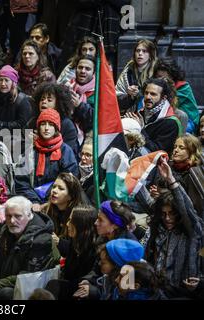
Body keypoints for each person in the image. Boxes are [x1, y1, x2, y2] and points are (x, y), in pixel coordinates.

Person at [144, 157, 204, 297]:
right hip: (157, 290)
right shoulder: (157, 230)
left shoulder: (192, 232)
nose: (168, 218)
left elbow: (187, 210)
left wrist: (171, 180)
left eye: (172, 214)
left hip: (183, 294)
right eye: (164, 214)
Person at [0, 196, 53, 300]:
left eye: (18, 216)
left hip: (22, 290)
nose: (12, 221)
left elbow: (25, 276)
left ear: (29, 215)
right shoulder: (4, 231)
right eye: (8, 216)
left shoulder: (41, 240)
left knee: (6, 293)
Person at [15, 109, 78, 205]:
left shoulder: (65, 151)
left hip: (58, 203)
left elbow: (69, 180)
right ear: (38, 127)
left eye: (51, 124)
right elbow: (21, 182)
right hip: (32, 203)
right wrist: (34, 201)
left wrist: (48, 201)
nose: (46, 128)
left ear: (56, 128)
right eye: (43, 124)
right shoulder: (30, 151)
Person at [45, 205, 97, 300]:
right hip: (71, 286)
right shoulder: (75, 242)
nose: (68, 224)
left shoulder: (94, 249)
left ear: (81, 225)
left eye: (71, 221)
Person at [73, 239, 144, 300]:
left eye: (103, 262)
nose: (99, 264)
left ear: (117, 266)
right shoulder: (111, 278)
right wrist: (90, 284)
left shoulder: (126, 292)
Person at [125, 78, 180, 154]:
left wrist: (140, 129)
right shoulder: (140, 113)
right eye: (146, 93)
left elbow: (157, 151)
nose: (148, 97)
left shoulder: (170, 122)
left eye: (153, 94)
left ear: (163, 98)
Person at [29, 82, 78, 155]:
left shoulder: (67, 125)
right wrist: (29, 143)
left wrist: (43, 143)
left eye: (49, 100)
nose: (44, 102)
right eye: (42, 99)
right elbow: (19, 148)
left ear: (58, 104)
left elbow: (69, 154)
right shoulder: (33, 122)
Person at [154, 57, 200, 134]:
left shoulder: (183, 87)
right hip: (166, 117)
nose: (162, 80)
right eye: (159, 77)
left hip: (189, 120)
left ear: (172, 76)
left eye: (165, 78)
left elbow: (170, 104)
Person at [116, 39, 158, 113]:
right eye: (138, 51)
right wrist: (129, 96)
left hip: (151, 111)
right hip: (128, 112)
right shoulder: (128, 71)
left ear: (150, 55)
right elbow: (117, 96)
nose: (140, 53)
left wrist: (139, 94)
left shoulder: (156, 71)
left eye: (144, 51)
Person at [0, 65, 32, 132]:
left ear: (13, 83)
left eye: (6, 80)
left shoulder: (21, 100)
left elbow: (22, 123)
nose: (3, 84)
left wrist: (2, 124)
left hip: (16, 136)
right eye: (1, 80)